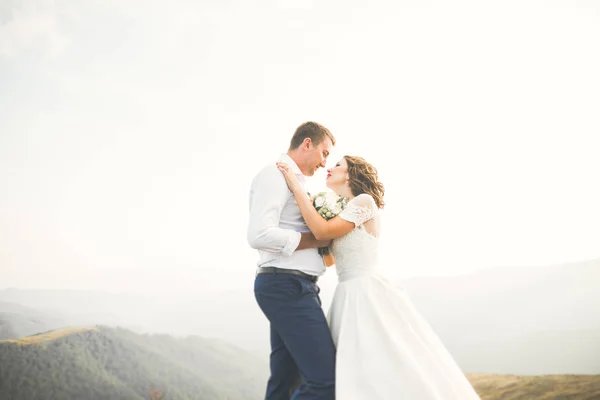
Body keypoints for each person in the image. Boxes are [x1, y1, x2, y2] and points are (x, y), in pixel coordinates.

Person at [276, 155, 482, 399]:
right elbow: (330, 258)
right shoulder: (343, 209)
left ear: (352, 174)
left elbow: (322, 231)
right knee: (351, 366)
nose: (329, 168)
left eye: (338, 165)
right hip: (346, 293)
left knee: (379, 362)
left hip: (365, 292)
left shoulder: (364, 202)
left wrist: (297, 189)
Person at [247, 121, 337, 400]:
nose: (325, 163)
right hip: (285, 286)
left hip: (294, 286)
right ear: (306, 144)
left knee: (285, 381)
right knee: (325, 382)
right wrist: (314, 239)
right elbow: (259, 234)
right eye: (324, 153)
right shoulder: (274, 176)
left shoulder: (297, 184)